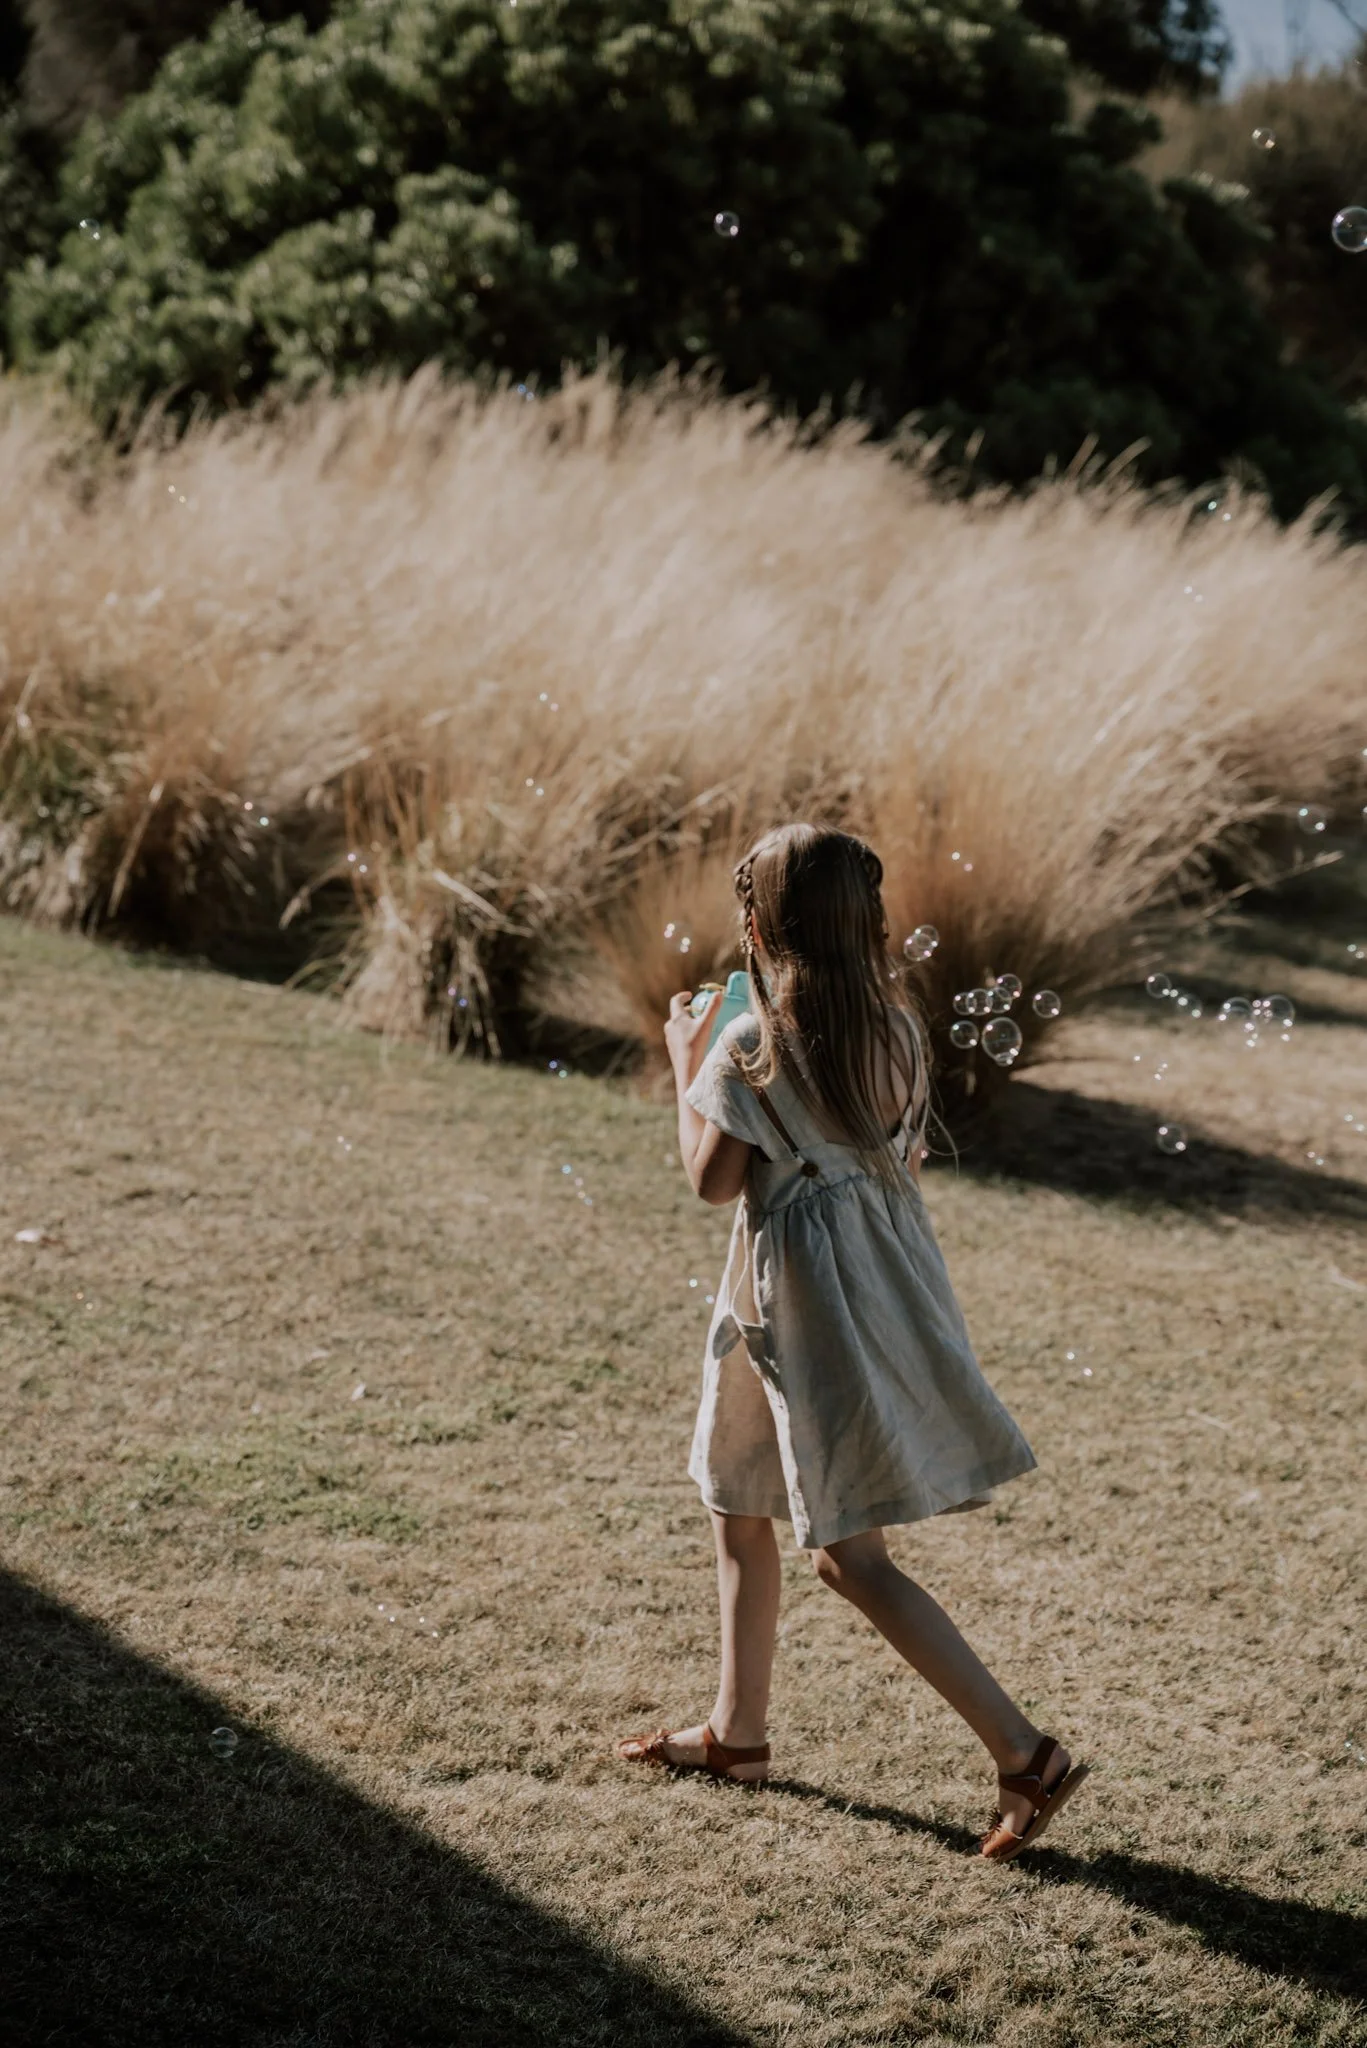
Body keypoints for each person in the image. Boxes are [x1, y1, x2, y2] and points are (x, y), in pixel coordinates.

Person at [617, 823, 1089, 1860]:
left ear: (757, 926)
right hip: (853, 1289)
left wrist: (686, 1061)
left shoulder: (751, 1043)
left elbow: (710, 1180)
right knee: (735, 1496)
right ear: (865, 925)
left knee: (845, 1554)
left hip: (803, 1304)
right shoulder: (899, 1030)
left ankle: (1023, 1753)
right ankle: (737, 1733)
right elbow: (900, 1157)